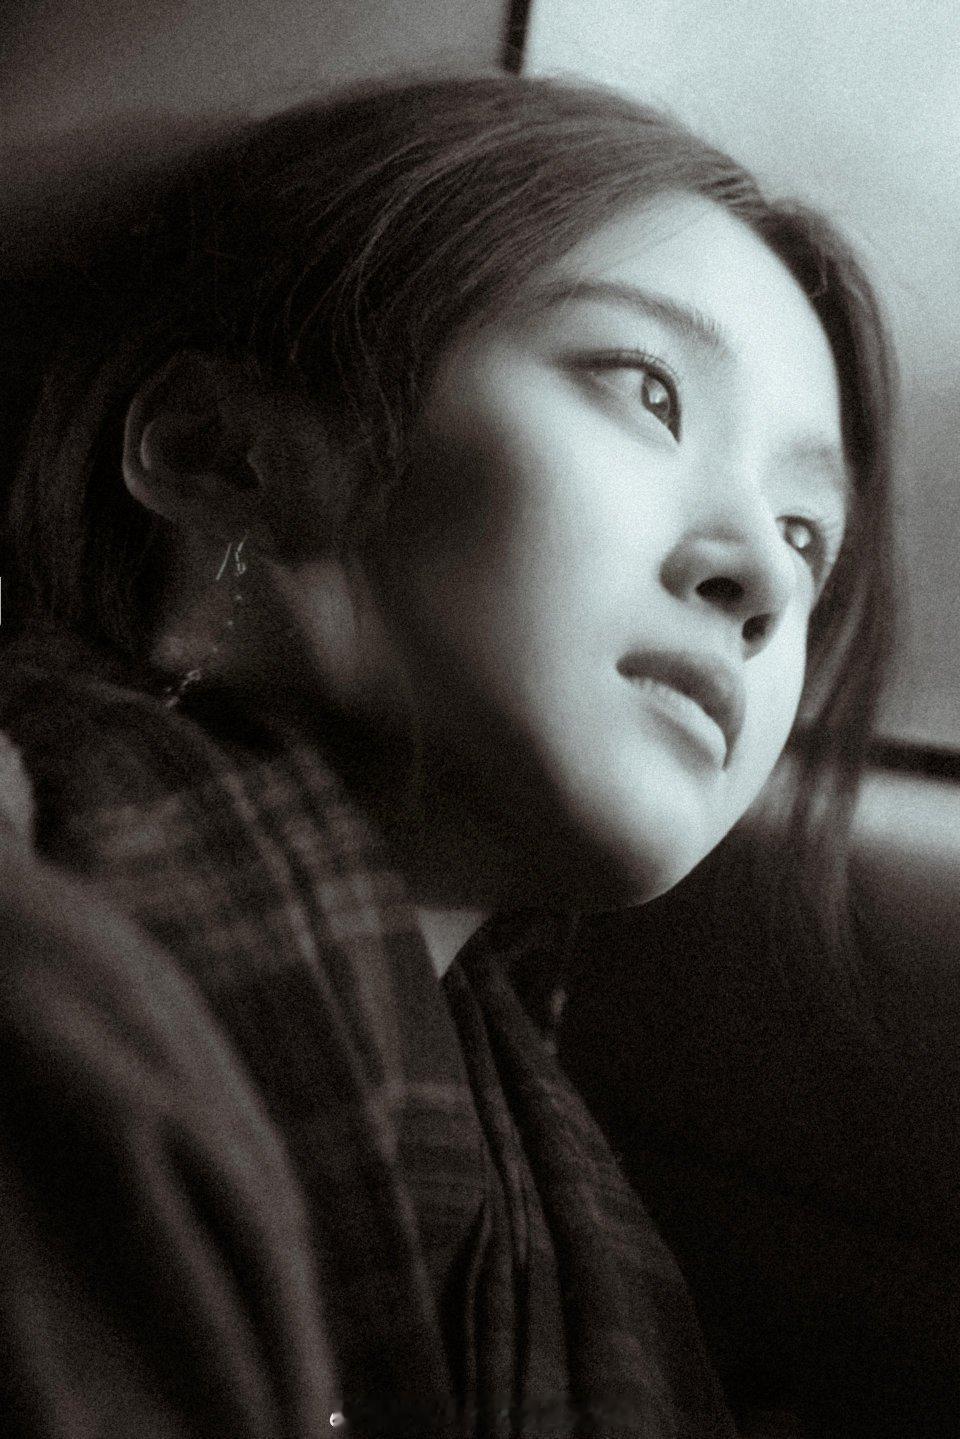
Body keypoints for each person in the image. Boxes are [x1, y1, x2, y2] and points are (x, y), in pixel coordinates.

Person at [0, 71, 895, 1437]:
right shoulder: (34, 972)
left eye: (806, 537)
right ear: (224, 456)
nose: (765, 583)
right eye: (648, 392)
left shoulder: (536, 1177)